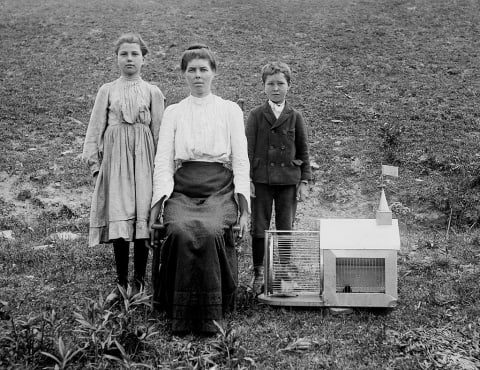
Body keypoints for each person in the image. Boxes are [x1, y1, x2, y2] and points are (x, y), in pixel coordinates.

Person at [149, 44, 249, 334]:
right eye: (191, 70)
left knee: (209, 231)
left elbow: (241, 161)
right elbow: (163, 161)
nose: (197, 75)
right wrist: (156, 207)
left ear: (213, 73)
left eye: (203, 69)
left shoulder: (229, 110)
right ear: (183, 74)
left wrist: (244, 210)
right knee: (179, 230)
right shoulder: (174, 112)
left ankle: (210, 315)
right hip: (182, 192)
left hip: (219, 191)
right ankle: (179, 314)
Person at [82, 33, 164, 299]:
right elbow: (95, 129)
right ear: (116, 58)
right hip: (115, 162)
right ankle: (120, 284)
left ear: (143, 59)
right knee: (119, 214)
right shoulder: (107, 90)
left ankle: (139, 282)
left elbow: (159, 132)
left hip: (143, 160)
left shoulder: (153, 91)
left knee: (141, 216)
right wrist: (97, 166)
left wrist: (159, 169)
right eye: (124, 54)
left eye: (135, 54)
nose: (129, 59)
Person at [245, 61, 312, 294]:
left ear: (289, 86)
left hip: (288, 181)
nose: (276, 88)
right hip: (262, 180)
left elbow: (303, 150)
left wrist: (304, 181)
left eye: (280, 84)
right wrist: (248, 180)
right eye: (270, 84)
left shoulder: (295, 116)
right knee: (259, 227)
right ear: (263, 87)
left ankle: (284, 275)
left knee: (285, 228)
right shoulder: (255, 115)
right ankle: (259, 274)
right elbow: (248, 150)